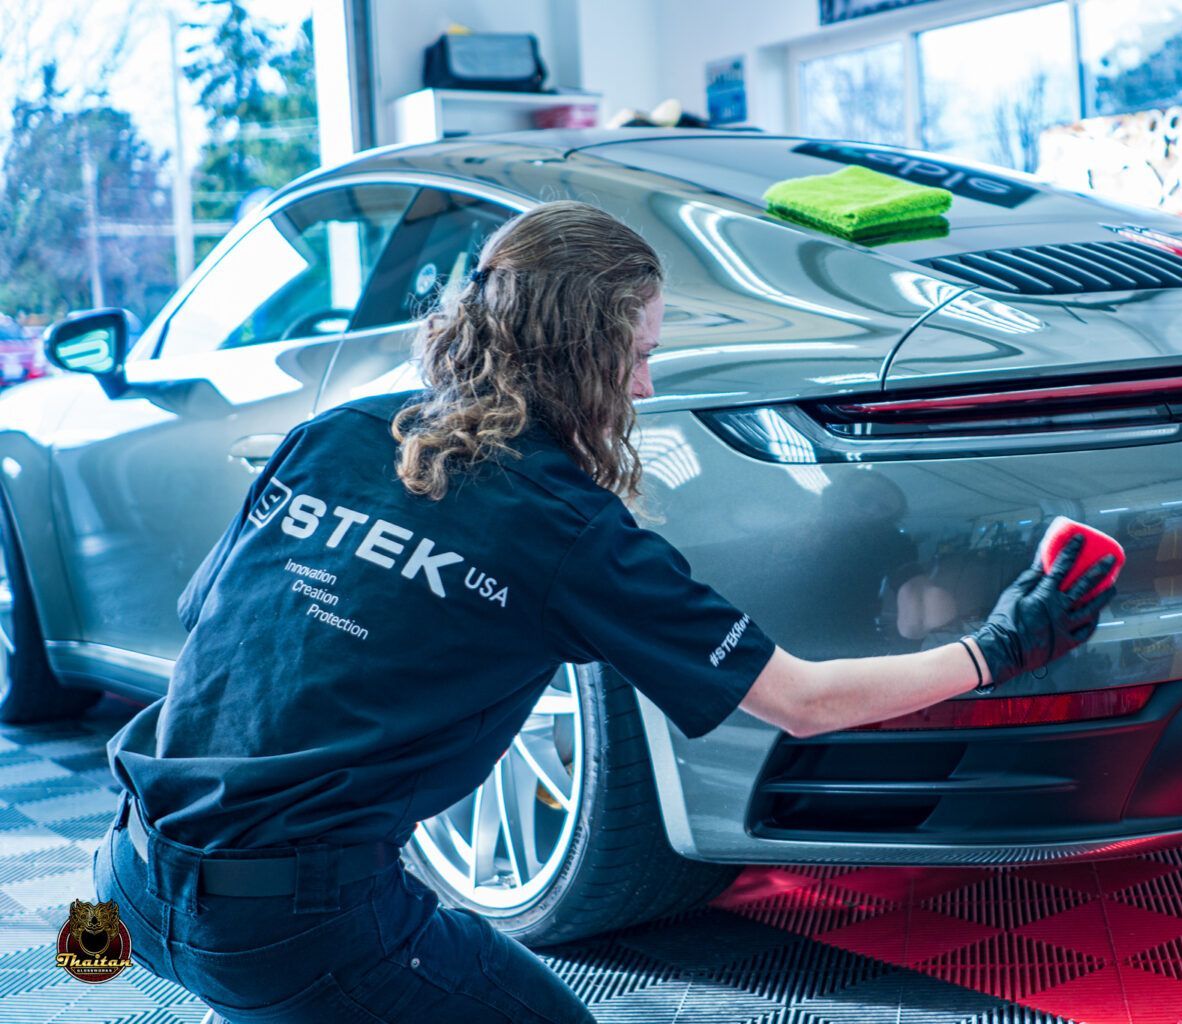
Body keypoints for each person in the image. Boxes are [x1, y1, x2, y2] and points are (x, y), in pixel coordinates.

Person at [94, 201, 1116, 1023]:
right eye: (637, 352)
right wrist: (999, 646)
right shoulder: (565, 528)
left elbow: (225, 626)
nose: (646, 378)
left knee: (112, 993)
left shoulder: (337, 431)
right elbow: (802, 701)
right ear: (582, 355)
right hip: (293, 932)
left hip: (118, 884)